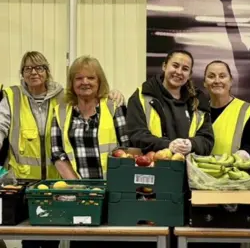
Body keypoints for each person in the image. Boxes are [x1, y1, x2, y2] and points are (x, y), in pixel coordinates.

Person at [0, 51, 123, 248]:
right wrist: (80, 189)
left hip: (63, 186)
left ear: (47, 72)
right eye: (28, 68)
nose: (34, 72)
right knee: (32, 241)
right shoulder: (12, 97)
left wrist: (115, 93)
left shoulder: (63, 98)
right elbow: (57, 152)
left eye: (39, 67)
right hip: (27, 187)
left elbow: (124, 148)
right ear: (21, 73)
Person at [50, 56, 130, 248]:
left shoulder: (114, 107)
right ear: (71, 83)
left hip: (114, 194)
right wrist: (79, 188)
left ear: (99, 82)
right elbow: (57, 153)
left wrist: (111, 188)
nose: (85, 82)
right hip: (79, 194)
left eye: (91, 78)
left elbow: (128, 149)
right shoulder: (61, 111)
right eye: (79, 78)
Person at [127, 49, 214, 156]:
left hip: (187, 169)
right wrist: (167, 145)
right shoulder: (141, 96)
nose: (179, 72)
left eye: (185, 69)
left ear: (190, 75)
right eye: (175, 65)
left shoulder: (199, 101)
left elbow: (207, 140)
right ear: (164, 66)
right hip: (151, 167)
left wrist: (192, 144)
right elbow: (136, 135)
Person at [204, 60, 250, 159]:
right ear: (204, 83)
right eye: (211, 76)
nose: (217, 81)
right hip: (197, 171)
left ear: (231, 81)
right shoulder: (197, 111)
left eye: (222, 76)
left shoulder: (245, 111)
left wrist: (246, 153)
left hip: (234, 172)